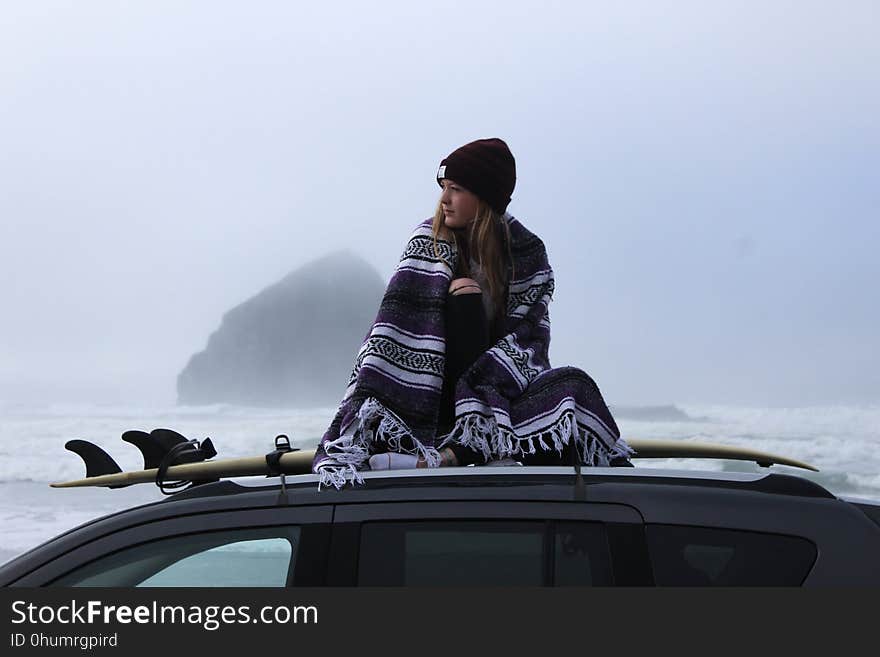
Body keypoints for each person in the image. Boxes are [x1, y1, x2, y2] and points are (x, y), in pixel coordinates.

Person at [312, 138, 631, 489]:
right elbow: (397, 330)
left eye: (457, 189)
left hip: (497, 384)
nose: (444, 199)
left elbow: (530, 341)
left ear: (485, 196)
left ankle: (474, 449)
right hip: (430, 396)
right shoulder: (428, 241)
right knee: (464, 293)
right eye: (443, 188)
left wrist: (490, 384)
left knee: (573, 383)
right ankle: (463, 449)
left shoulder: (526, 253)